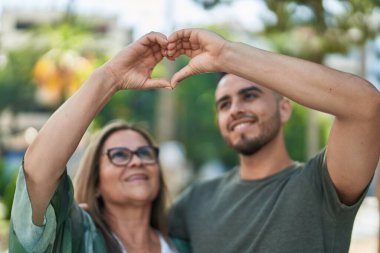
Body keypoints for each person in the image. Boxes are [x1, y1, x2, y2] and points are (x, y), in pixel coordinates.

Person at [166, 29, 380, 253]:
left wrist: (225, 54)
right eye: (224, 104)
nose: (235, 110)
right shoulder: (195, 200)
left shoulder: (322, 183)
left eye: (249, 96)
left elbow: (365, 105)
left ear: (284, 109)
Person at [8, 32, 180, 253]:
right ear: (96, 181)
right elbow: (38, 174)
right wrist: (110, 77)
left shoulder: (185, 243)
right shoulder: (75, 237)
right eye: (119, 155)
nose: (137, 161)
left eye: (145, 153)